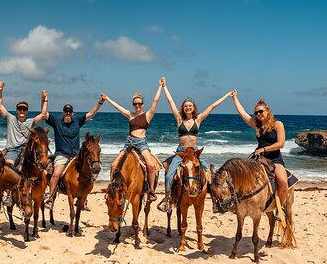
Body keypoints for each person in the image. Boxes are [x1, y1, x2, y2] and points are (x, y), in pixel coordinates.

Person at [158, 78, 231, 212]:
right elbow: (171, 102)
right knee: (169, 175)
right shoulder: (179, 119)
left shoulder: (198, 119)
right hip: (181, 153)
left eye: (190, 106)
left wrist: (226, 96)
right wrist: (164, 87)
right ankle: (167, 200)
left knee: (208, 173)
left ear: (193, 108)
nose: (188, 107)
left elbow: (212, 107)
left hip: (195, 153)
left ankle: (215, 202)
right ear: (183, 108)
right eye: (185, 106)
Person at [102, 80, 163, 201]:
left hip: (141, 143)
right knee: (113, 165)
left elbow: (155, 101)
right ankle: (112, 189)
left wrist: (160, 86)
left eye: (139, 103)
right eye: (135, 104)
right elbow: (118, 107)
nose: (137, 105)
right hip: (129, 142)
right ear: (133, 104)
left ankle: (151, 191)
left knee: (151, 166)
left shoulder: (148, 115)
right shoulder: (130, 115)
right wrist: (108, 99)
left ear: (143, 104)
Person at [230, 90, 288, 211]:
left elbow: (281, 144)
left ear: (267, 111)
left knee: (282, 181)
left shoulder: (278, 124)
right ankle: (237, 203)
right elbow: (243, 114)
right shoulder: (257, 125)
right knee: (240, 175)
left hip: (274, 158)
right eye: (256, 112)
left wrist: (264, 148)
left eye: (261, 111)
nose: (258, 114)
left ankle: (280, 208)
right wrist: (235, 98)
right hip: (258, 158)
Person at [43, 97, 106, 209]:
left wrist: (100, 103)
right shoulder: (56, 122)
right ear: (63, 113)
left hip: (76, 156)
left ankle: (83, 199)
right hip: (62, 154)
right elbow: (44, 114)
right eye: (66, 111)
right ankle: (50, 198)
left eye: (70, 112)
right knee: (56, 174)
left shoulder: (77, 121)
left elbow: (91, 114)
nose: (68, 113)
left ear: (72, 113)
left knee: (90, 174)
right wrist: (44, 100)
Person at [0, 86, 48, 206]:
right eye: (19, 108)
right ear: (16, 110)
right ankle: (8, 195)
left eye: (24, 109)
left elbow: (43, 114)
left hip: (26, 151)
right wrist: (0, 91)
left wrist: (44, 99)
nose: (22, 111)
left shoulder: (30, 121)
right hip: (12, 150)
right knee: (8, 167)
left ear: (27, 111)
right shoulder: (10, 119)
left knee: (43, 168)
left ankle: (43, 192)